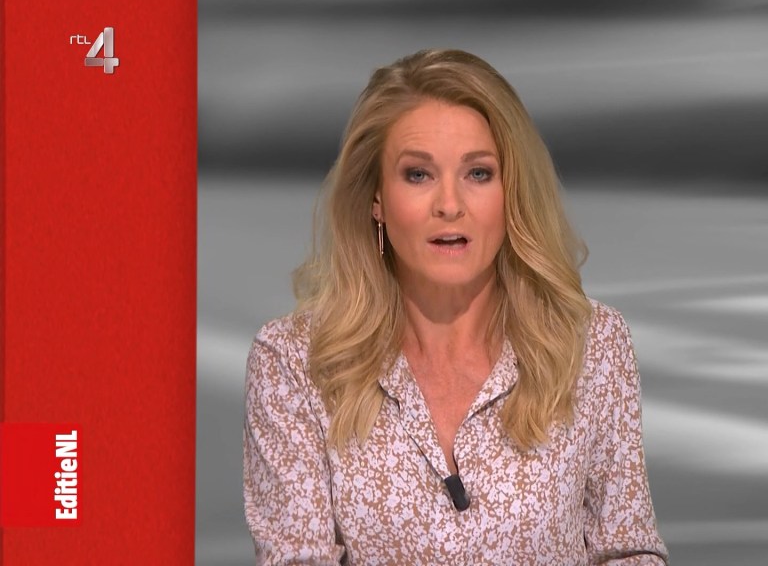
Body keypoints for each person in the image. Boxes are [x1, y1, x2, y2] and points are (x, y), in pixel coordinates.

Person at [243, 48, 669, 565]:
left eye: (479, 173)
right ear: (376, 198)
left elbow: (626, 549)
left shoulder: (591, 345)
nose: (449, 204)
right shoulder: (294, 363)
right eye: (418, 175)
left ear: (511, 192)